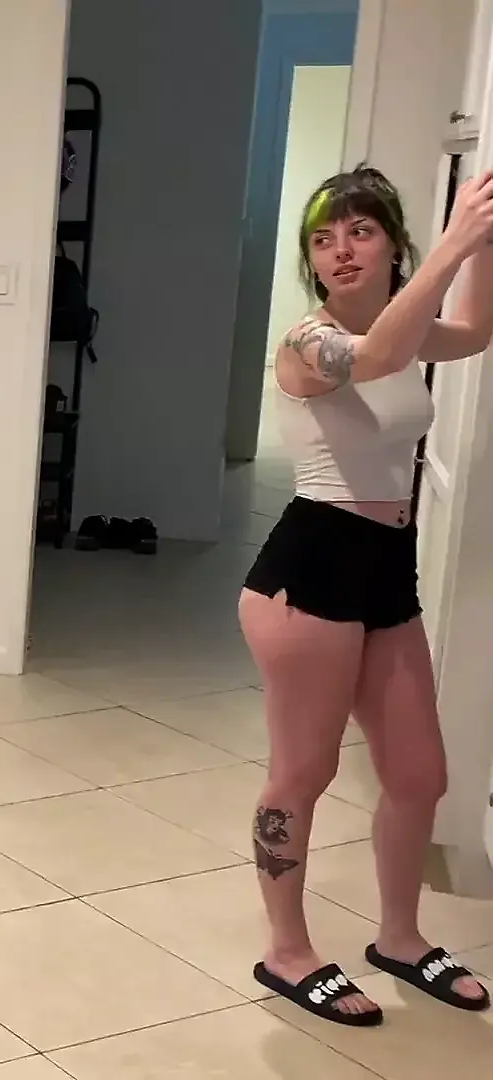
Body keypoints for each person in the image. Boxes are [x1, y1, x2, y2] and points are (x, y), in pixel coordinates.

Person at [242, 165, 493, 1026]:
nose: (341, 250)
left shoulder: (406, 329)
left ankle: (401, 938)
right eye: (323, 238)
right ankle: (287, 949)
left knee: (421, 774)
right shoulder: (309, 341)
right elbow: (373, 358)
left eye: (361, 231)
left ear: (392, 245)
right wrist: (454, 243)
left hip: (386, 567)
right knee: (302, 772)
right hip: (308, 573)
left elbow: (475, 332)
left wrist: (482, 243)